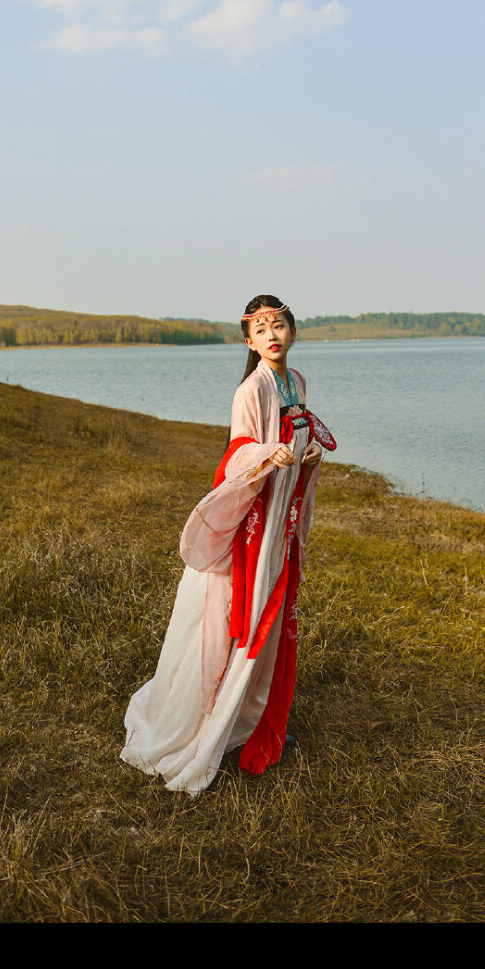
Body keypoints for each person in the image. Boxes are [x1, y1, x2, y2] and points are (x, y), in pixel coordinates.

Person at [122, 295, 336, 794]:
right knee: (237, 611)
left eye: (279, 326)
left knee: (276, 609)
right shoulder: (251, 389)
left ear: (292, 330)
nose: (272, 336)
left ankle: (248, 713)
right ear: (249, 341)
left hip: (281, 516)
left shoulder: (296, 382)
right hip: (255, 522)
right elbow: (240, 451)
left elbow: (302, 435)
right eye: (261, 331)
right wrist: (269, 454)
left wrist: (304, 458)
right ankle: (207, 723)